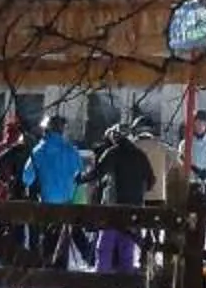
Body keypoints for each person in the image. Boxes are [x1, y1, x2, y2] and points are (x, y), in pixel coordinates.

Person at [90, 116, 157, 274]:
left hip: (113, 206)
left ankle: (102, 275)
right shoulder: (140, 155)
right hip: (134, 206)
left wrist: (81, 178)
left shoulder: (112, 152)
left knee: (105, 244)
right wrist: (138, 191)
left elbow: (98, 172)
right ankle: (126, 275)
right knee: (127, 243)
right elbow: (151, 179)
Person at [22, 111, 86, 264]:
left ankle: (47, 273)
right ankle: (61, 273)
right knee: (63, 240)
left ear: (46, 130)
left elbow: (27, 177)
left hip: (47, 204)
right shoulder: (71, 150)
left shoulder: (39, 151)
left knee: (48, 241)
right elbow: (80, 175)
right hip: (67, 203)